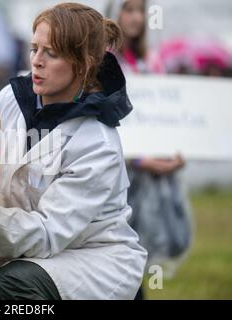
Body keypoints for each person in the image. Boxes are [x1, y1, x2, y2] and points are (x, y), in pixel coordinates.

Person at [0, 3, 147, 300]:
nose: (36, 62)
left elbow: (48, 233)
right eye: (34, 49)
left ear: (83, 63)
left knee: (9, 286)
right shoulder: (15, 98)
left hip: (92, 260)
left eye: (50, 53)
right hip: (30, 248)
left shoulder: (98, 144)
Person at [107, 0, 192, 299]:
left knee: (145, 244)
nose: (135, 17)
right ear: (114, 13)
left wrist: (176, 151)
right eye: (128, 9)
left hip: (153, 173)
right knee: (119, 246)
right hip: (121, 170)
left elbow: (166, 112)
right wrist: (140, 158)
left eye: (141, 10)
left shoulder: (152, 61)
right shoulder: (106, 60)